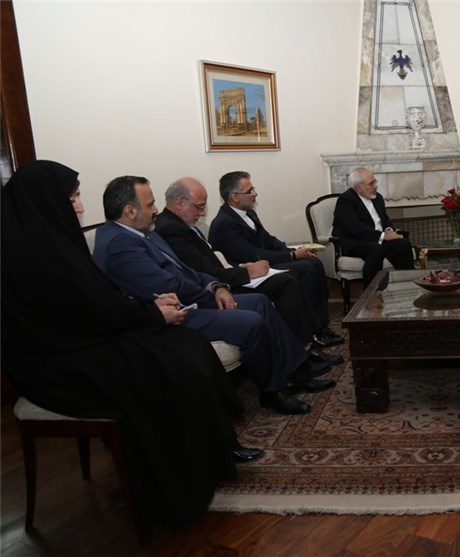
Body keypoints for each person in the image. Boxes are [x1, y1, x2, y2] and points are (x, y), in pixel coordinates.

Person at [1, 160, 262, 537]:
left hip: (82, 340)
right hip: (55, 363)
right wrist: (152, 314)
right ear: (44, 201)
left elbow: (98, 301)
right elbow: (88, 309)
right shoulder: (30, 254)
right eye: (73, 198)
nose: (80, 206)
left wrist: (149, 309)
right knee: (162, 365)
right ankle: (178, 483)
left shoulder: (48, 238)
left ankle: (214, 449)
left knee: (185, 344)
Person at [93, 175, 335, 416]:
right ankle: (274, 391)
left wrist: (216, 286)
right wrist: (210, 294)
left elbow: (188, 271)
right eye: (150, 204)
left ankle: (294, 369)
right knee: (251, 321)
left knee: (260, 302)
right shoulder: (120, 244)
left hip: (194, 298)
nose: (156, 209)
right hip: (176, 313)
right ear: (130, 211)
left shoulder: (144, 234)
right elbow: (169, 285)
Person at [154, 177, 342, 366]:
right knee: (286, 280)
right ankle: (303, 350)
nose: (202, 213)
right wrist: (247, 272)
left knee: (299, 272)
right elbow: (206, 272)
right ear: (180, 202)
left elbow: (216, 262)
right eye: (200, 207)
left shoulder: (182, 224)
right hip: (216, 289)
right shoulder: (172, 230)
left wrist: (285, 254)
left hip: (227, 276)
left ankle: (310, 340)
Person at [208, 171, 342, 348]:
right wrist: (291, 256)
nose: (255, 193)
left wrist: (294, 251)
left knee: (314, 263)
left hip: (263, 263)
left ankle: (320, 327)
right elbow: (251, 254)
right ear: (235, 197)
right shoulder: (224, 223)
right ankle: (310, 332)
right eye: (250, 191)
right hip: (247, 273)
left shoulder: (249, 213)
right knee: (305, 268)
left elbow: (268, 240)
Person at [332, 167, 416, 287]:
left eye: (375, 181)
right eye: (371, 183)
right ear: (359, 187)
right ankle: (372, 292)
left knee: (403, 244)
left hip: (378, 239)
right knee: (376, 249)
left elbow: (385, 219)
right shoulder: (346, 200)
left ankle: (406, 286)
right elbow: (354, 228)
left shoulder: (377, 198)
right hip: (356, 241)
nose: (376, 186)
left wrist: (388, 230)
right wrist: (383, 236)